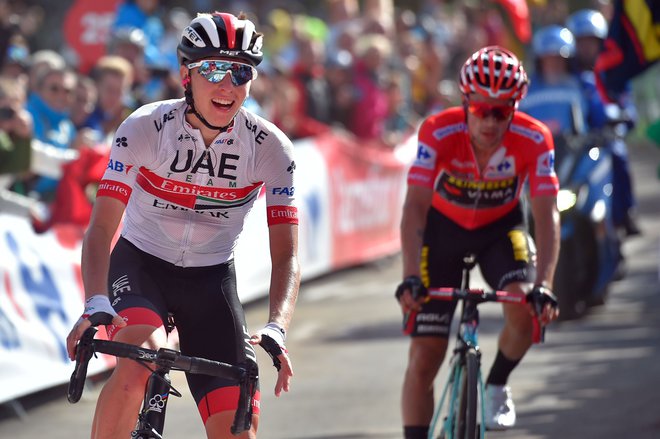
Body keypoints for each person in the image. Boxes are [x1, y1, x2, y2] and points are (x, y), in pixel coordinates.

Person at [65, 11, 300, 439]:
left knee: (237, 428)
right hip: (142, 266)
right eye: (212, 69)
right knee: (140, 360)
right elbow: (101, 229)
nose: (227, 85)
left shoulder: (271, 149)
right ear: (185, 75)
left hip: (211, 281)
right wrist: (95, 299)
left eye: (240, 71)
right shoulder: (143, 128)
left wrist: (277, 326)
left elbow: (286, 253)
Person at [395, 46, 560, 438]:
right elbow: (415, 206)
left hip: (501, 230)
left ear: (515, 108)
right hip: (443, 231)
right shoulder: (437, 130)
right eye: (481, 110)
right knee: (425, 355)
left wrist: (546, 285)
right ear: (466, 103)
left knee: (524, 306)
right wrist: (408, 276)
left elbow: (547, 214)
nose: (490, 121)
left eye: (501, 111)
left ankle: (496, 384)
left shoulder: (535, 139)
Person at [566, 8, 640, 236]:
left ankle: (623, 215)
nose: (586, 47)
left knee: (618, 156)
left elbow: (627, 106)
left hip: (603, 140)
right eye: (581, 42)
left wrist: (621, 116)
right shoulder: (566, 75)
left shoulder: (613, 72)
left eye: (592, 41)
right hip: (572, 143)